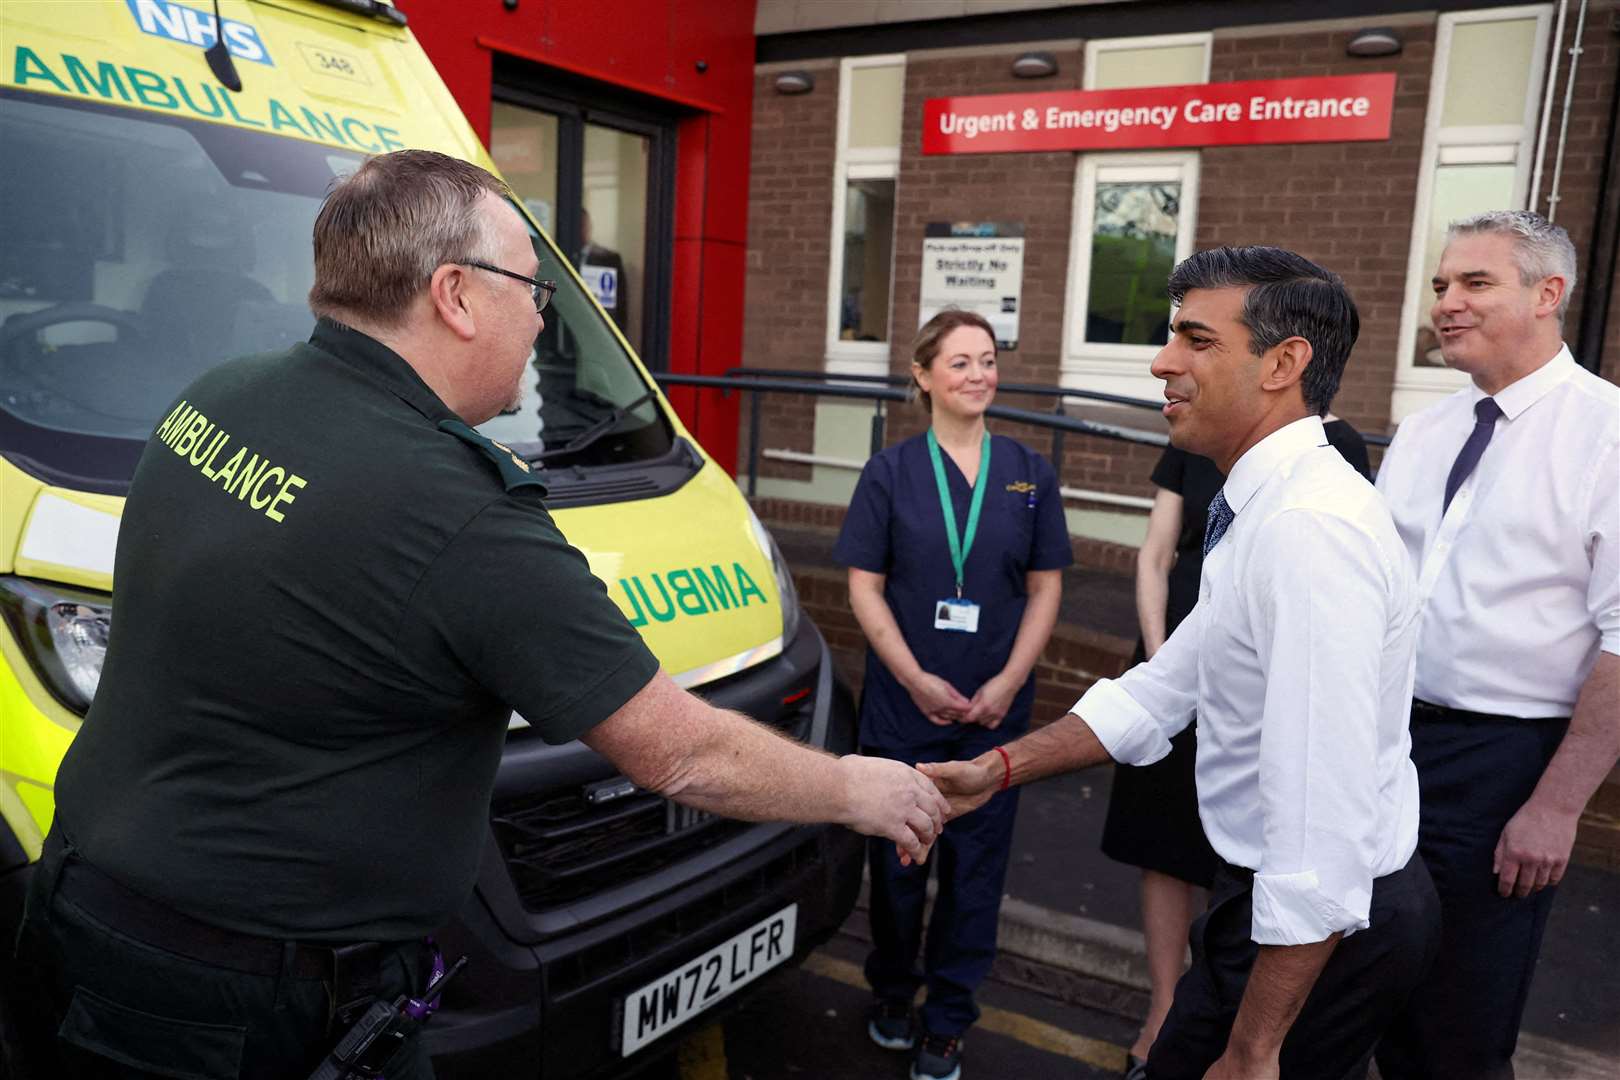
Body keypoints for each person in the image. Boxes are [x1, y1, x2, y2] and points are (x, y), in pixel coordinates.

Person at [4, 150, 950, 1080]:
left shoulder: (217, 397)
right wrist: (860, 789)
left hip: (83, 920)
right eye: (533, 288)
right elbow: (680, 752)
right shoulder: (459, 511)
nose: (542, 321)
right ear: (455, 295)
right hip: (245, 1006)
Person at [922, 247, 1442, 1080]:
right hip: (1288, 919)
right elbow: (1161, 692)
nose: (1162, 361)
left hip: (1315, 933)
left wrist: (1253, 1049)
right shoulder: (1270, 502)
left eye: (1196, 340)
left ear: (1284, 363)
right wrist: (998, 769)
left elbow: (1324, 830)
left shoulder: (1309, 531)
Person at [1373, 210, 1619, 1080]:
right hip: (1386, 741)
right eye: (1442, 284)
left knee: (1460, 1027)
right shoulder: (1425, 431)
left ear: (1549, 295)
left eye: (1475, 282)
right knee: (1363, 990)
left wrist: (1556, 806)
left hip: (1502, 764)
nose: (1446, 301)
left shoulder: (1607, 435)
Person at [834, 309, 1072, 1080]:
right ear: (924, 375)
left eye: (988, 360)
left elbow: (1045, 589)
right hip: (906, 710)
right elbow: (864, 588)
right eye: (961, 362)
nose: (980, 374)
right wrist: (912, 677)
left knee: (976, 874)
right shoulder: (890, 472)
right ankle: (895, 991)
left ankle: (949, 1019)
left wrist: (1006, 681)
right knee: (901, 866)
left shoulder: (1030, 471)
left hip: (994, 718)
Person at [1106, 416, 1368, 1077]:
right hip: (1174, 659)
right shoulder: (1198, 435)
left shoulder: (1339, 450)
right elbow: (1154, 553)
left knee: (1227, 850)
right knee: (1161, 845)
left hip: (1258, 685)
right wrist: (1164, 660)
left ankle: (1219, 1012)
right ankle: (1164, 1008)